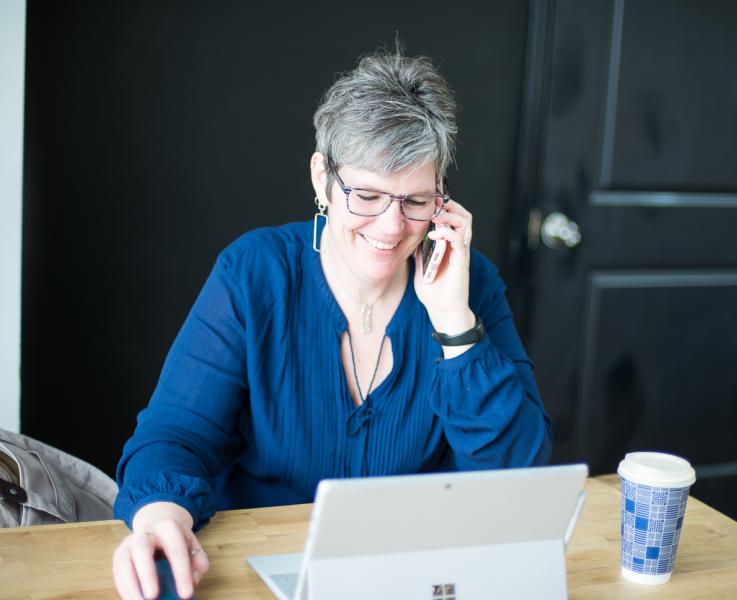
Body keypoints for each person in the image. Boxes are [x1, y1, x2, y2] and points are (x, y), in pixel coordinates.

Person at [111, 45, 552, 600]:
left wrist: (453, 323)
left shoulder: (470, 283)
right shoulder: (254, 274)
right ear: (323, 177)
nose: (392, 227)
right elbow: (174, 434)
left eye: (416, 200)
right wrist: (161, 518)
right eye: (366, 195)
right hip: (257, 576)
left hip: (412, 579)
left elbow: (518, 482)